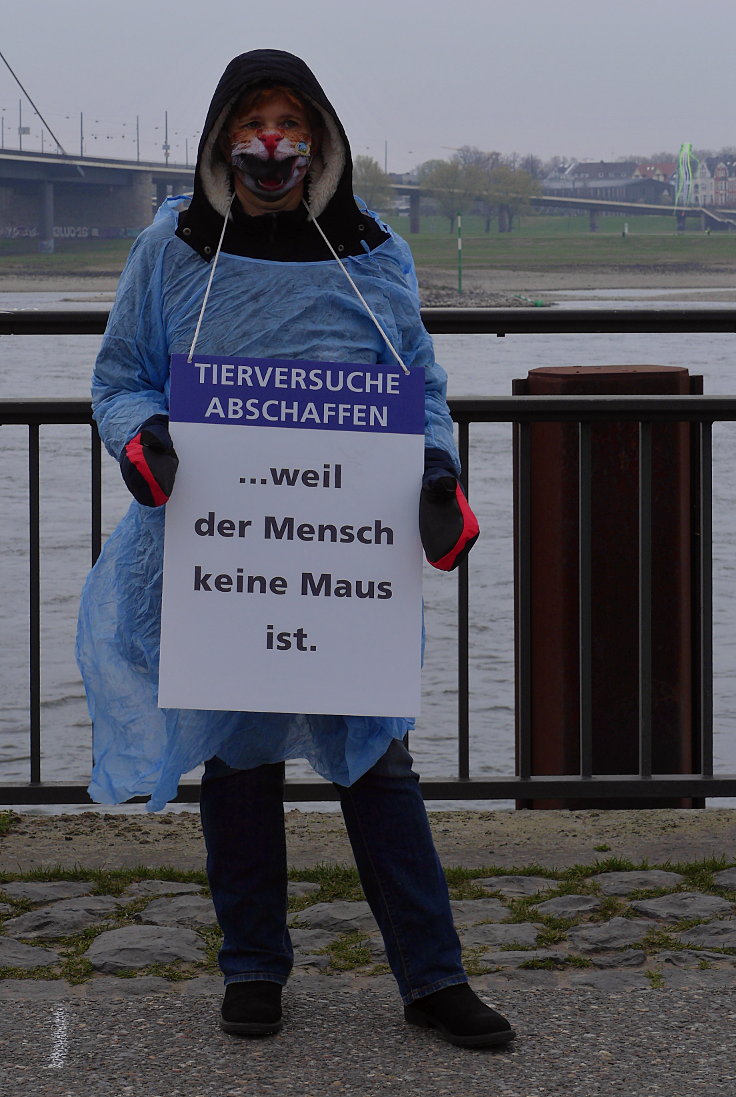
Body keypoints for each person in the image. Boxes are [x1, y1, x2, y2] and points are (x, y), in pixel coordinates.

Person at [77, 49, 514, 1050]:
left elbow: (420, 382)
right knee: (235, 759)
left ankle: (432, 972)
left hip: (341, 556)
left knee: (376, 762)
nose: (271, 141)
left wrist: (437, 473)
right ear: (221, 135)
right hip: (216, 550)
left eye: (289, 119)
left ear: (319, 135)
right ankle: (253, 964)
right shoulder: (173, 247)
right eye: (253, 118)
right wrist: (143, 440)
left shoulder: (372, 252)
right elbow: (122, 375)